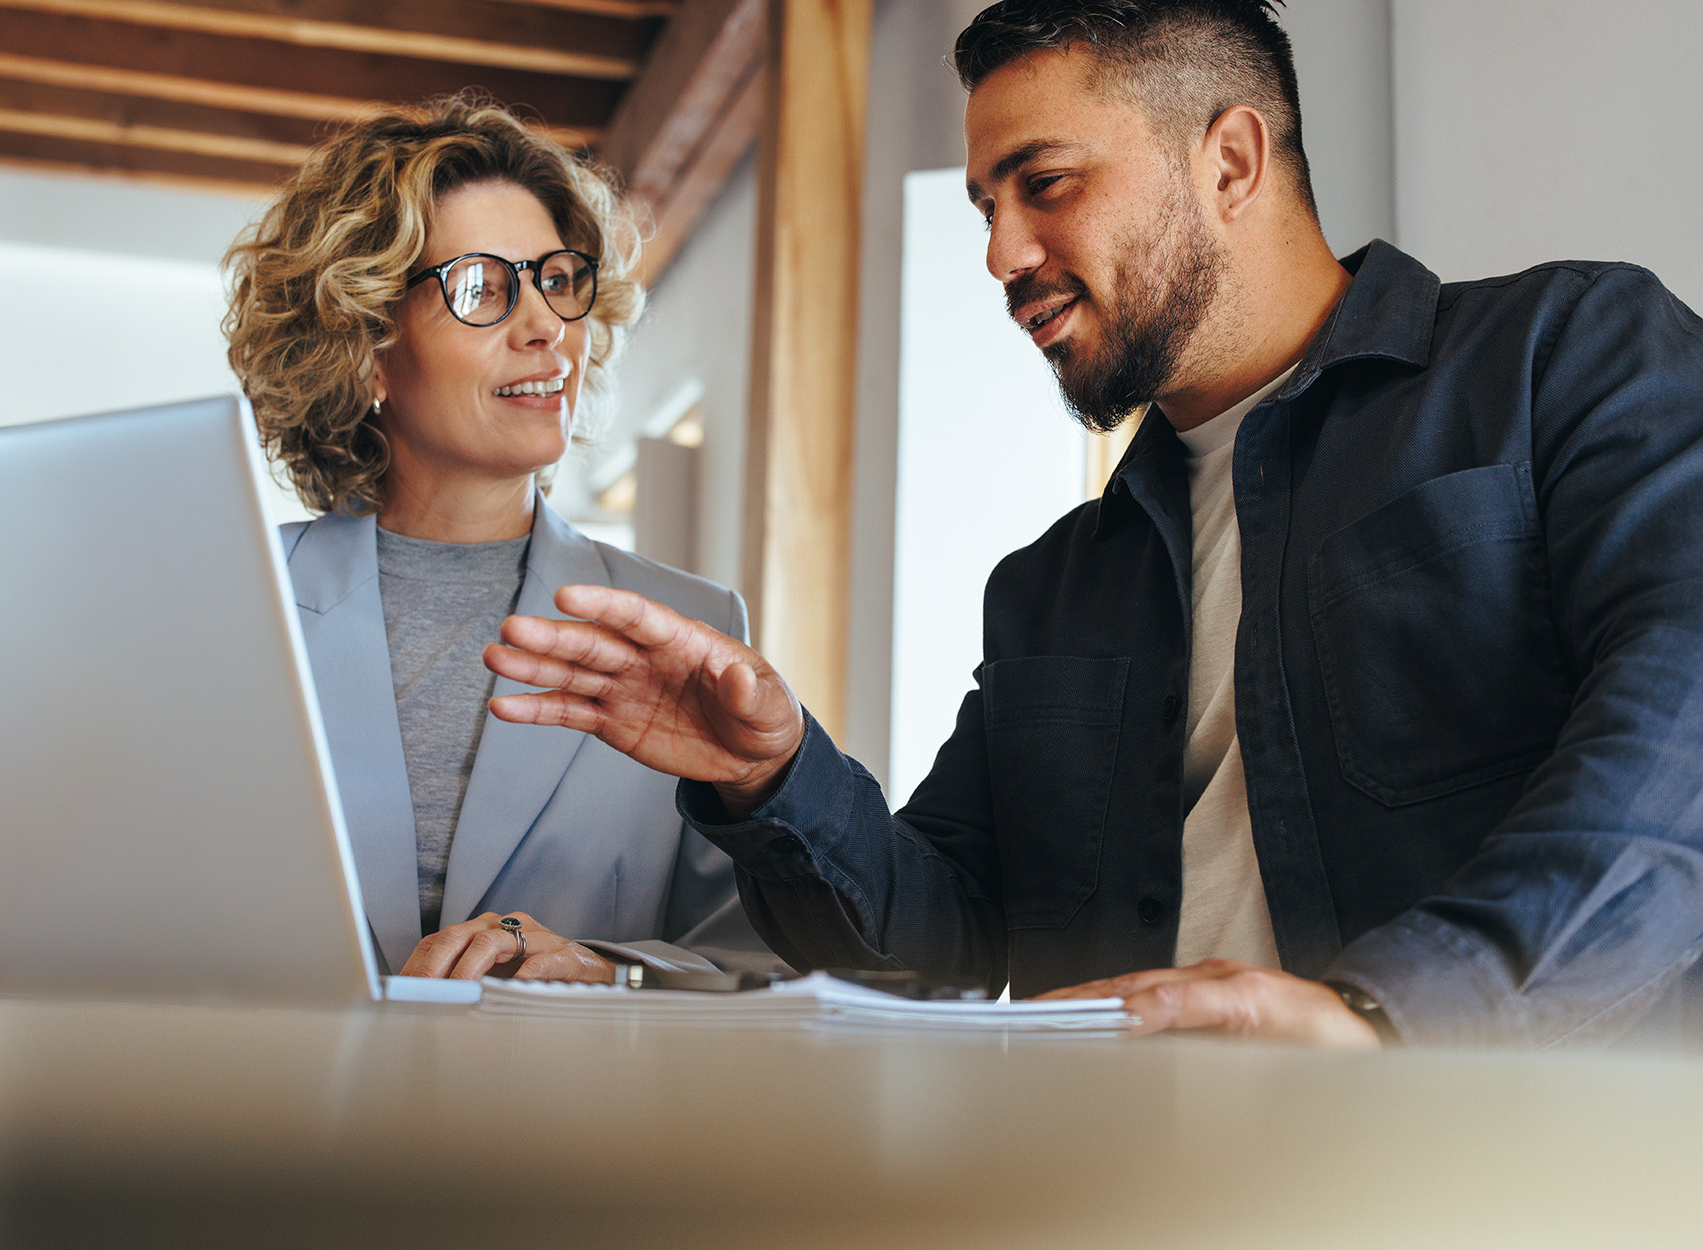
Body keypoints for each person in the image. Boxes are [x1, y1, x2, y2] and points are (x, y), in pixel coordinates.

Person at [481, 0, 1703, 1046]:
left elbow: (1678, 730)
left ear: (1230, 162)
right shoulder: (1052, 586)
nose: (1002, 251)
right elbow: (940, 947)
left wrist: (1388, 1014)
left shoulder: (1565, 359)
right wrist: (771, 773)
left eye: (1045, 185)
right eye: (983, 207)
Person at [222, 96, 779, 983]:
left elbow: (762, 959)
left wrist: (608, 971)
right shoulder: (228, 607)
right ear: (366, 346)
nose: (545, 328)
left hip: (561, 1120)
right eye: (482, 288)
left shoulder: (688, 623)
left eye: (556, 280)